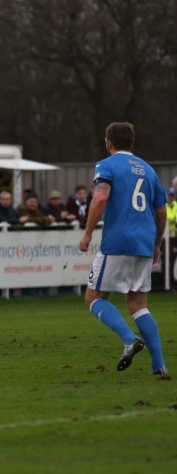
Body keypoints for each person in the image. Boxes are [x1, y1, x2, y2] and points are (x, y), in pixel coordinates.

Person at [79, 122, 167, 378]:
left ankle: (129, 340)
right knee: (138, 304)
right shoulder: (149, 171)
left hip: (118, 242)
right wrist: (158, 243)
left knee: (94, 298)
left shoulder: (106, 165)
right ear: (133, 143)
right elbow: (160, 211)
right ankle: (159, 366)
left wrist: (87, 233)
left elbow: (101, 197)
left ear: (109, 143)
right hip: (144, 244)